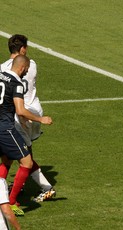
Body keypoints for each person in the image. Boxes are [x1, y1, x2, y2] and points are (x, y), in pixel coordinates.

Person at [0, 34, 56, 204]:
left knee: (23, 157)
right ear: (23, 49)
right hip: (33, 110)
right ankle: (11, 190)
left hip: (21, 116)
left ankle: (44, 189)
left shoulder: (3, 68)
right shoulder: (31, 65)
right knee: (14, 155)